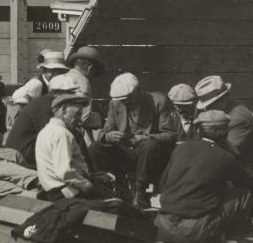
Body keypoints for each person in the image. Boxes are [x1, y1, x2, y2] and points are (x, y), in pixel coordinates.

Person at [155, 110, 253, 243]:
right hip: (194, 233)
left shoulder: (180, 150)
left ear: (198, 130)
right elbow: (250, 181)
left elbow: (163, 183)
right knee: (244, 193)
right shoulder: (225, 157)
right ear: (225, 133)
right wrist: (233, 151)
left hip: (163, 227)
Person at [95, 73, 178, 209]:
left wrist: (146, 137)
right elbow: (104, 131)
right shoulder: (116, 103)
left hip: (150, 154)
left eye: (128, 99)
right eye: (122, 100)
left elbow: (170, 135)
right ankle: (108, 188)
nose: (125, 103)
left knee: (149, 145)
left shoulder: (158, 101)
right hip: (126, 151)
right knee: (95, 148)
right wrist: (108, 136)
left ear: (138, 91)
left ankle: (140, 193)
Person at [194, 75, 253, 229]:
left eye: (210, 105)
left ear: (222, 99)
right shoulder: (226, 113)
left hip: (238, 180)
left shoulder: (238, 119)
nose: (207, 109)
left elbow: (225, 153)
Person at [35, 92, 107, 201]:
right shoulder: (62, 134)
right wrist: (87, 185)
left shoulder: (45, 131)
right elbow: (65, 172)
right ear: (63, 110)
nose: (80, 120)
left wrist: (91, 176)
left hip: (52, 191)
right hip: (66, 193)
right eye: (77, 114)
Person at [5, 74, 83, 166]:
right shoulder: (45, 106)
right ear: (56, 93)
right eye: (69, 93)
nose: (72, 97)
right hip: (22, 153)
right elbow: (52, 136)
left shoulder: (50, 104)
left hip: (27, 149)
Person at [63, 46, 105, 130]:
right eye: (94, 71)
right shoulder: (84, 83)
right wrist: (101, 119)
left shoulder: (65, 77)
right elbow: (84, 118)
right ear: (90, 68)